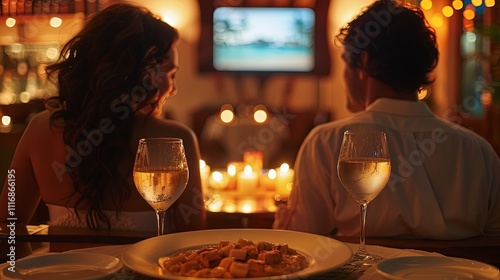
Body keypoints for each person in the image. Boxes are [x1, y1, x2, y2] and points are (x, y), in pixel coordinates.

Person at [273, 0, 500, 240]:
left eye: (344, 63)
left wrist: (284, 222)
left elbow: (301, 244)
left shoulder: (326, 142)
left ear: (363, 62)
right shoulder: (478, 152)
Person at [0, 3, 206, 237]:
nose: (174, 88)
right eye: (170, 74)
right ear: (143, 73)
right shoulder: (176, 141)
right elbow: (192, 238)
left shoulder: (40, 129)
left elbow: (8, 225)